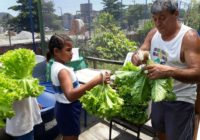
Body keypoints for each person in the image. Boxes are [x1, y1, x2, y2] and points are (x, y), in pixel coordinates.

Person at [131, 0, 200, 140]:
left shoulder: (189, 37)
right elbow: (142, 49)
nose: (158, 23)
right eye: (155, 19)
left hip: (181, 98)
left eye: (162, 18)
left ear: (176, 14)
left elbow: (198, 73)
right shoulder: (153, 34)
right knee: (159, 130)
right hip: (159, 95)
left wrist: (169, 71)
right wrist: (137, 56)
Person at [47, 33, 110, 140]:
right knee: (71, 136)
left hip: (64, 109)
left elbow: (71, 87)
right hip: (67, 110)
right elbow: (70, 95)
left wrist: (94, 83)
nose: (71, 53)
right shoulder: (62, 71)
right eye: (68, 50)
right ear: (56, 51)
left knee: (69, 135)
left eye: (71, 50)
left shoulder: (56, 66)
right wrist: (95, 81)